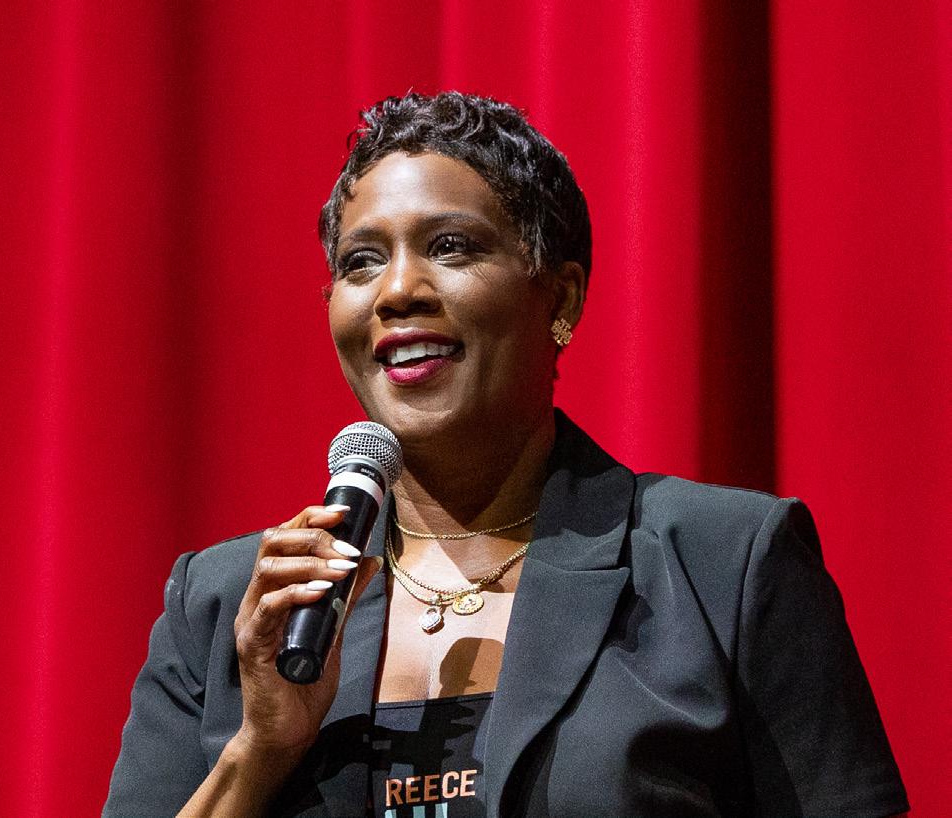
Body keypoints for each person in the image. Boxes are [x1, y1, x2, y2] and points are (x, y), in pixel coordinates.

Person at [103, 92, 909, 818]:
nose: (396, 291)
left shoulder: (722, 564)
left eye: (451, 246)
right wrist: (259, 750)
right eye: (360, 261)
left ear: (561, 296)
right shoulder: (231, 606)